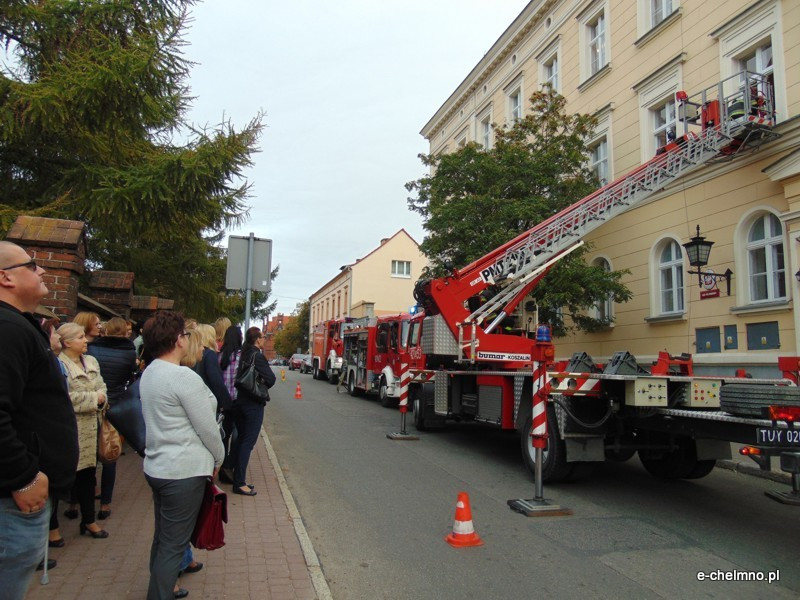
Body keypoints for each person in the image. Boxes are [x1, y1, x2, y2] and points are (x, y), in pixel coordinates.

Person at [0, 241, 78, 599]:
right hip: (13, 500)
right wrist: (23, 476)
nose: (42, 270)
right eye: (32, 266)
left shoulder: (19, 325)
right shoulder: (7, 329)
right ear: (5, 277)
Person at [139, 311, 224, 600]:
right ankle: (160, 594)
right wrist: (218, 458)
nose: (188, 340)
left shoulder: (150, 371)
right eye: (186, 336)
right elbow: (208, 429)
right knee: (173, 544)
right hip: (182, 470)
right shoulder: (182, 376)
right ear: (178, 340)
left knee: (163, 539)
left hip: (158, 466)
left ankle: (159, 588)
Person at [57, 322, 110, 540]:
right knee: (62, 479)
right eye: (80, 337)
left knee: (88, 477)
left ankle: (89, 521)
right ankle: (52, 529)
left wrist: (101, 398)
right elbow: (62, 398)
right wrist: (92, 398)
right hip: (69, 429)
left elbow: (102, 386)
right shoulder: (59, 365)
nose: (85, 340)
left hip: (91, 427)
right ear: (67, 342)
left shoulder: (91, 361)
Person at [87, 316, 137, 520]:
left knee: (88, 452)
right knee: (110, 452)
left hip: (94, 403)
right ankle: (105, 503)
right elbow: (130, 378)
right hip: (115, 404)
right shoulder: (130, 352)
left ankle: (82, 497)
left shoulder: (92, 350)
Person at [231, 327, 276, 497]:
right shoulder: (257, 356)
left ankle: (236, 477)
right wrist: (261, 383)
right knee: (247, 443)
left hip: (240, 400)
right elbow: (271, 379)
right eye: (263, 337)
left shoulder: (244, 353)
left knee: (241, 439)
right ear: (257, 339)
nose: (264, 340)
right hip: (253, 403)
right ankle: (239, 482)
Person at [218, 325, 243, 484]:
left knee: (223, 435)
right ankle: (229, 466)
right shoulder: (242, 356)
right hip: (238, 400)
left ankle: (222, 465)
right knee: (237, 434)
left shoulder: (220, 357)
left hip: (223, 401)